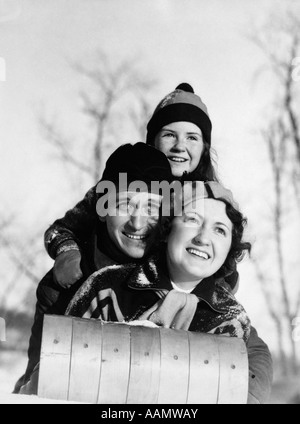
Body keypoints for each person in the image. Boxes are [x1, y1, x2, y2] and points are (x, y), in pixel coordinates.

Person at [14, 142, 174, 393]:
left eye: (151, 208)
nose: (137, 222)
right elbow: (37, 384)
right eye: (124, 204)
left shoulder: (179, 279)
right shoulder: (61, 288)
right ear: (101, 209)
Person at [67, 181, 252, 345]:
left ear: (229, 248)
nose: (203, 238)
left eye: (220, 230)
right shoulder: (106, 287)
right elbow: (61, 361)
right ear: (167, 228)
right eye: (193, 220)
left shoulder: (229, 318)